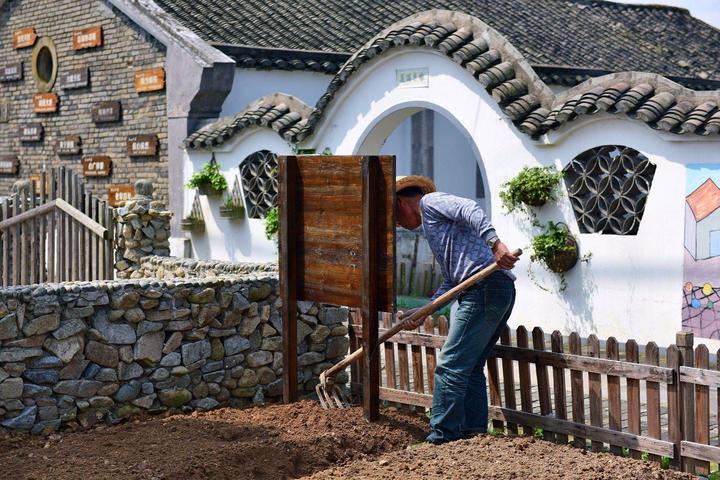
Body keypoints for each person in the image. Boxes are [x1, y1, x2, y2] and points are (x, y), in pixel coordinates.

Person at [395, 175, 519, 444]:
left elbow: (469, 209)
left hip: (485, 287)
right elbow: (453, 280)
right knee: (470, 366)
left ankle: (441, 434)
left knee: (450, 365)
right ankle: (473, 433)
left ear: (401, 202)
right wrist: (425, 310)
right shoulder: (432, 227)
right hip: (492, 288)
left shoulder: (431, 203)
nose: (396, 224)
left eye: (394, 216)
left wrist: (496, 244)